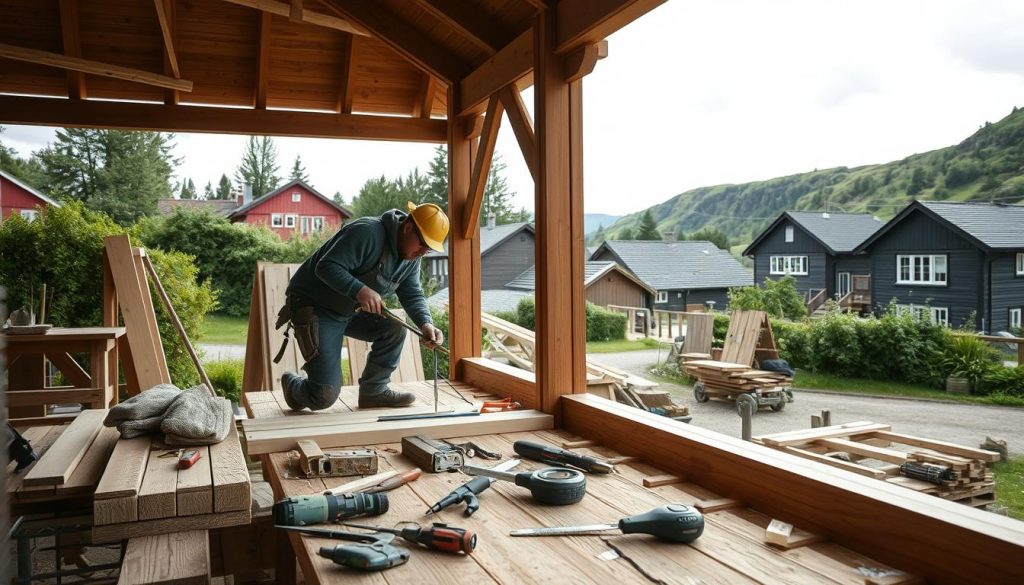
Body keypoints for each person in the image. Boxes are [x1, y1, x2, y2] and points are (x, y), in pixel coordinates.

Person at [279, 201, 449, 411]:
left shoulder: (411, 257)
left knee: (395, 327)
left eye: (429, 250)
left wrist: (426, 324)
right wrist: (360, 290)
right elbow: (326, 266)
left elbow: (412, 293)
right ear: (407, 228)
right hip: (315, 307)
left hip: (349, 310)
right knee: (323, 395)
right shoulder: (367, 232)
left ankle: (373, 391)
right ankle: (292, 386)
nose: (423, 253)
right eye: (423, 245)